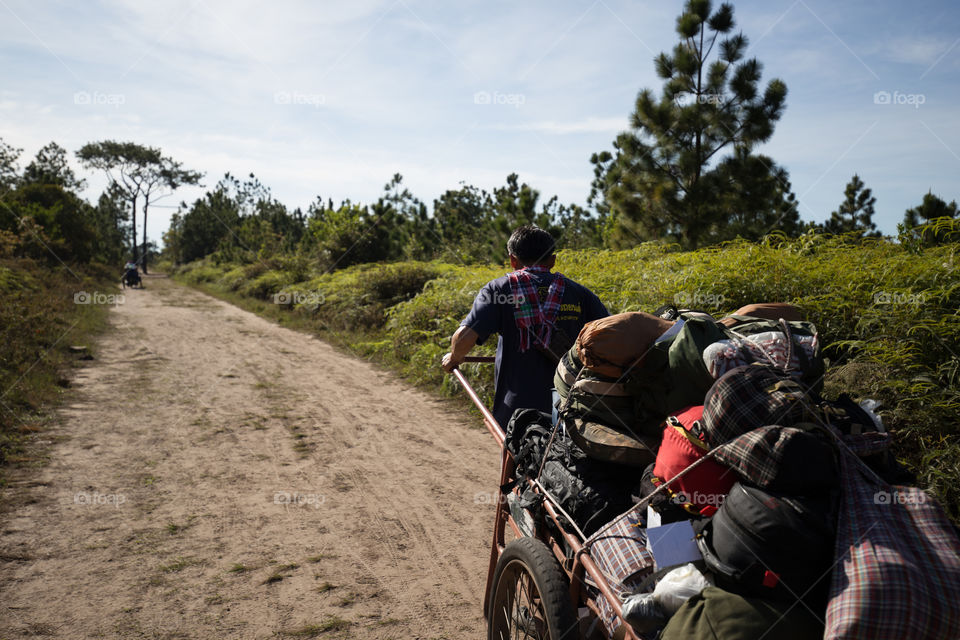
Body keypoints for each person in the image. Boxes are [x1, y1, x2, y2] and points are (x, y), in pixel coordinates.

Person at [442, 226, 608, 427]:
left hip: (517, 411)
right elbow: (610, 336)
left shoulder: (498, 290)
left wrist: (454, 357)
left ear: (513, 260)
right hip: (570, 409)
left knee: (515, 456)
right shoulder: (580, 293)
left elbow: (464, 338)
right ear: (553, 260)